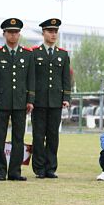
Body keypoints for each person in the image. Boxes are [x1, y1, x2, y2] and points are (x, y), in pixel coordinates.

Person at [0, 18, 33, 182]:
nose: (13, 35)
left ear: (19, 34)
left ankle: (15, 171)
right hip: (2, 102)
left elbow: (31, 79)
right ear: (4, 34)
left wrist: (30, 99)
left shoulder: (27, 54)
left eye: (16, 32)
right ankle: (0, 171)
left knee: (18, 138)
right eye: (10, 32)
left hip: (20, 101)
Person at [29, 18, 72, 179]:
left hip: (56, 101)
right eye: (50, 31)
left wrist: (66, 97)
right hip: (39, 101)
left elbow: (66, 78)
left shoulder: (63, 54)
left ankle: (51, 168)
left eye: (55, 31)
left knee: (53, 136)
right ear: (43, 33)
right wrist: (30, 99)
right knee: (38, 135)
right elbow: (31, 78)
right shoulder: (34, 53)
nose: (53, 34)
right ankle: (39, 168)